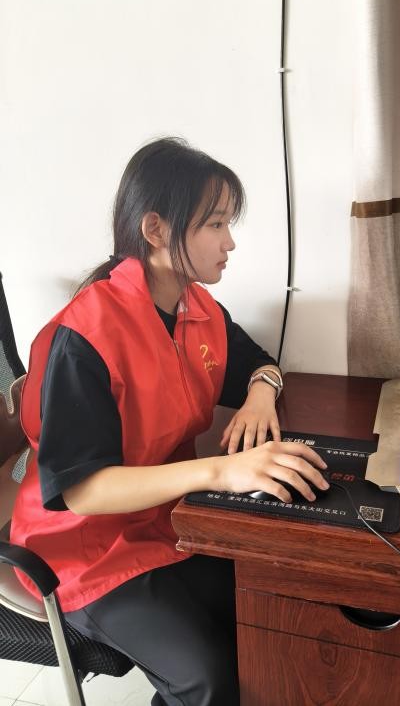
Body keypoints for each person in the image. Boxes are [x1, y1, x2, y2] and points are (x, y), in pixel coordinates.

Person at [10, 137, 329, 706]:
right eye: (215, 224)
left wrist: (261, 394)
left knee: (273, 613)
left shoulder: (198, 309)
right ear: (156, 230)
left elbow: (259, 363)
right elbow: (82, 491)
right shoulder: (83, 336)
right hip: (83, 550)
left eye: (229, 223)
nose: (230, 242)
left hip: (167, 522)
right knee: (207, 676)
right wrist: (223, 472)